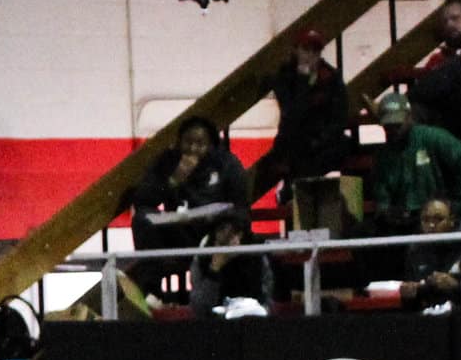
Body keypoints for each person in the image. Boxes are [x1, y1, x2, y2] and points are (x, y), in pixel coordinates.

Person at [128, 116, 248, 263]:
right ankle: (151, 282)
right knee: (142, 218)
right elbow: (142, 199)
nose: (192, 149)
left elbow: (241, 206)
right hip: (178, 231)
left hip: (214, 232)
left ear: (211, 145)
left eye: (200, 144)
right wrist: (173, 180)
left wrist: (225, 221)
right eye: (188, 142)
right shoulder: (168, 160)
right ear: (179, 142)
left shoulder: (227, 163)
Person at [249, 28, 349, 204]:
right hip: (293, 141)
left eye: (315, 51)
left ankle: (294, 193)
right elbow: (292, 114)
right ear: (296, 50)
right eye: (305, 49)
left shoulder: (331, 77)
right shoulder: (285, 76)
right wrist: (303, 81)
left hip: (322, 143)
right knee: (266, 169)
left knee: (339, 148)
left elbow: (339, 116)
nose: (310, 55)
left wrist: (321, 138)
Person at [367, 92, 461, 234]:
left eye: (398, 124)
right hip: (406, 220)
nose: (393, 130)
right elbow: (381, 194)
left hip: (438, 215)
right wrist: (386, 212)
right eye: (388, 126)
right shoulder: (383, 156)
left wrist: (459, 204)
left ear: (409, 118)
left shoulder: (433, 137)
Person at [407, 0, 461, 145]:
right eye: (445, 21)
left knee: (456, 68)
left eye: (455, 18)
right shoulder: (437, 59)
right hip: (446, 123)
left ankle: (399, 103)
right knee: (417, 111)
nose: (449, 24)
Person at [397, 199, 461, 309]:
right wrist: (409, 294)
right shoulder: (415, 249)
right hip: (432, 317)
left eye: (438, 219)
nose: (431, 225)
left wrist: (456, 286)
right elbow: (412, 305)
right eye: (425, 220)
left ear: (452, 220)